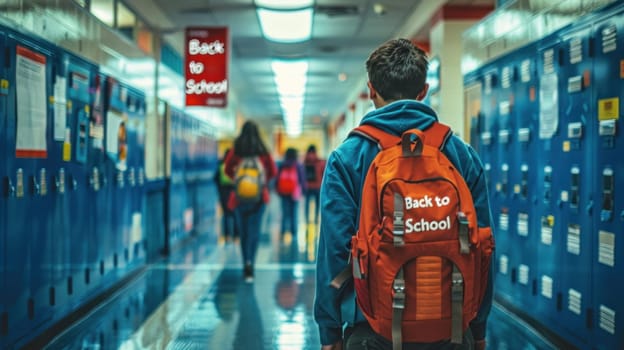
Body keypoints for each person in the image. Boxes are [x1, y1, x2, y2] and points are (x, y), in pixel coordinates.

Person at [313, 38, 494, 350]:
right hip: (450, 326)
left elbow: (334, 253)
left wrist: (330, 332)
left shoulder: (347, 157)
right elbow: (483, 246)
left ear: (371, 90)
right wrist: (478, 328)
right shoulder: (460, 154)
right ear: (423, 91)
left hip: (372, 328)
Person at [224, 120, 277, 282]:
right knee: (254, 233)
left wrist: (238, 181)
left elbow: (226, 169)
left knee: (243, 232)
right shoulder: (262, 150)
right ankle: (250, 265)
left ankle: (244, 263)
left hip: (239, 199)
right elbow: (273, 171)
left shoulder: (237, 149)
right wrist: (262, 184)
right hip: (259, 199)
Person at [276, 147, 306, 246]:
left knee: (285, 213)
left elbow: (277, 178)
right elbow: (301, 178)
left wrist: (278, 189)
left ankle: (283, 231)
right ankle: (293, 233)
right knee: (294, 212)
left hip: (284, 192)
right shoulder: (297, 164)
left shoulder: (282, 164)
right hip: (294, 192)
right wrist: (304, 190)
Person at [214, 148, 239, 243]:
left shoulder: (221, 164)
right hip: (234, 192)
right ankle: (236, 236)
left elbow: (215, 179)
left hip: (224, 193)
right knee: (235, 214)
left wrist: (220, 191)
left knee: (226, 215)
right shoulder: (235, 165)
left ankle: (227, 236)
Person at [303, 145, 326, 224]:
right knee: (317, 205)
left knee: (307, 205)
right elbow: (324, 175)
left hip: (308, 186)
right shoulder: (320, 162)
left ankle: (307, 220)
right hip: (318, 186)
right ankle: (316, 220)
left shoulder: (305, 161)